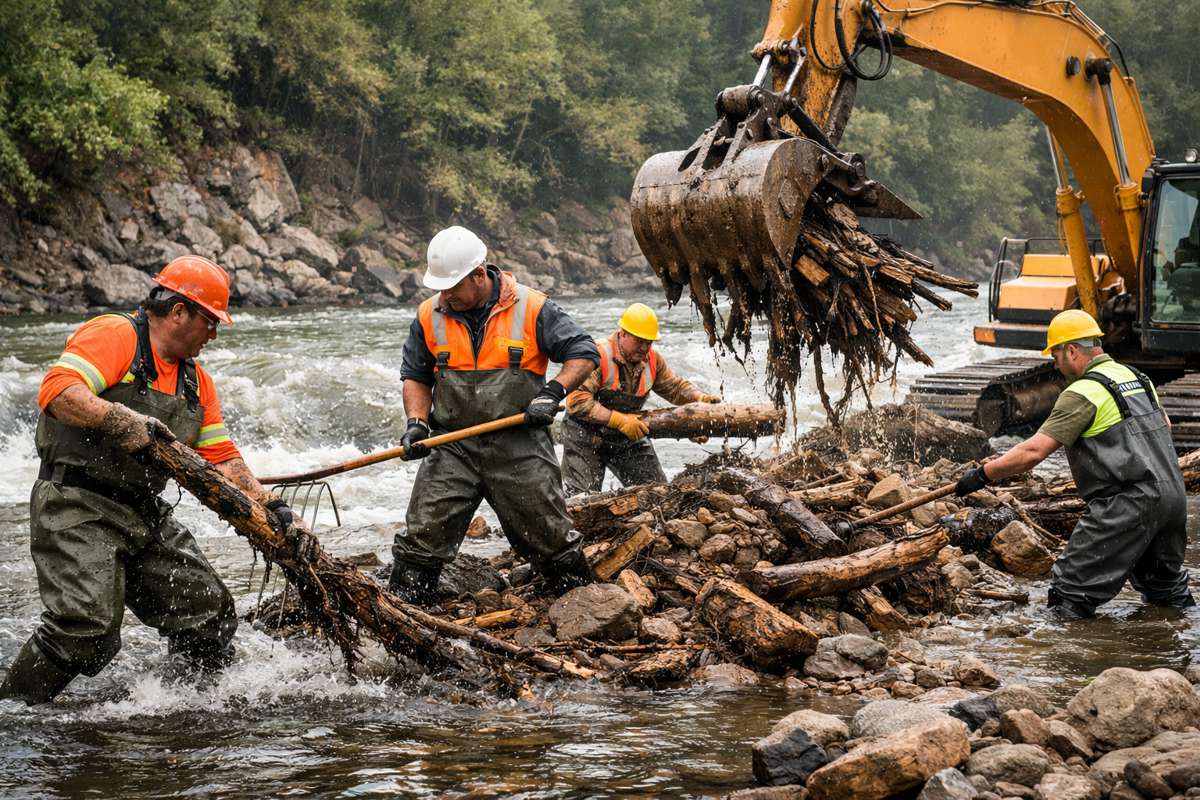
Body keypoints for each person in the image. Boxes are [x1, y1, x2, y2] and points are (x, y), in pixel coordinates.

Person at [0, 255, 315, 705]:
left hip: (143, 512)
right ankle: (12, 708)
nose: (215, 331)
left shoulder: (196, 382)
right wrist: (119, 420)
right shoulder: (116, 336)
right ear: (179, 310)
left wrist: (274, 507)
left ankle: (181, 705)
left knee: (209, 613)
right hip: (76, 502)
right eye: (210, 320)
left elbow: (223, 460)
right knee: (86, 631)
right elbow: (57, 392)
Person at [392, 226, 600, 603]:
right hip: (452, 446)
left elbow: (584, 352)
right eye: (440, 286)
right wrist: (417, 424)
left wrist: (552, 394)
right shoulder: (428, 315)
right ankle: (404, 616)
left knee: (551, 539)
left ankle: (585, 612)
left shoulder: (532, 307)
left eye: (453, 286)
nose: (446, 295)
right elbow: (416, 376)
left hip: (518, 443)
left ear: (479, 273)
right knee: (421, 539)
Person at [955, 309, 1194, 619]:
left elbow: (1034, 452)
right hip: (1174, 499)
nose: (1054, 362)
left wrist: (983, 474)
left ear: (1071, 350)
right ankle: (1174, 650)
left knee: (1069, 593)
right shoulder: (1139, 378)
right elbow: (1165, 426)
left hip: (1127, 503)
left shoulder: (1082, 392)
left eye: (1055, 353)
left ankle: (1069, 662)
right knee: (1167, 592)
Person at [560, 303, 721, 496]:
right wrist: (618, 420)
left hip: (627, 436)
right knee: (579, 500)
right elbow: (576, 402)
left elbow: (675, 388)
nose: (645, 347)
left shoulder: (652, 360)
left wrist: (699, 399)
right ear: (623, 333)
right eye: (640, 341)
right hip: (584, 437)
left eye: (649, 342)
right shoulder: (597, 355)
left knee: (659, 494)